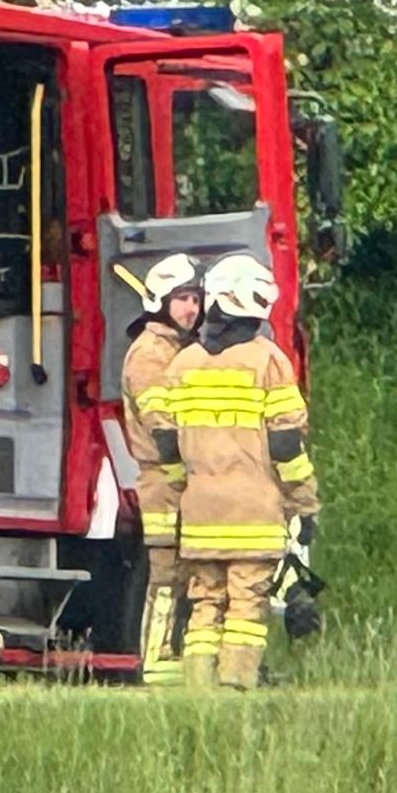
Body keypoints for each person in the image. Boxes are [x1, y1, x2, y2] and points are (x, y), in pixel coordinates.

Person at [139, 253, 315, 690]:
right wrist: (304, 503)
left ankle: (199, 691)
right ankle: (236, 688)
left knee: (204, 605)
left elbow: (166, 443)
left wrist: (185, 487)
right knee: (245, 607)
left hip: (199, 514)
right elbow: (286, 444)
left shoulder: (182, 365)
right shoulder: (269, 360)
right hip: (253, 513)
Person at [116, 255, 207, 688]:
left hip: (186, 482)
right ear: (159, 301)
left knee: (189, 576)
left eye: (195, 299)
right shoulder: (150, 355)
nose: (191, 308)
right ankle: (155, 665)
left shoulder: (184, 351)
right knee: (167, 577)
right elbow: (163, 427)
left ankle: (183, 664)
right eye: (183, 299)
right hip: (163, 482)